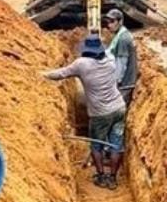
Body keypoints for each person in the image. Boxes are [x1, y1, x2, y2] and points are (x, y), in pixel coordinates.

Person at [43, 35, 126, 189]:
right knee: (116, 145)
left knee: (96, 146)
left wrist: (42, 74)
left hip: (99, 114)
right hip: (119, 108)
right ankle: (113, 178)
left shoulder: (82, 64)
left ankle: (101, 177)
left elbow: (60, 74)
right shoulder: (110, 60)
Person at [103, 8, 138, 107]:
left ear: (120, 21)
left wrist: (116, 82)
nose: (109, 25)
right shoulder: (120, 35)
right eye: (108, 22)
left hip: (125, 83)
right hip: (125, 81)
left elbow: (121, 63)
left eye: (112, 21)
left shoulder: (123, 39)